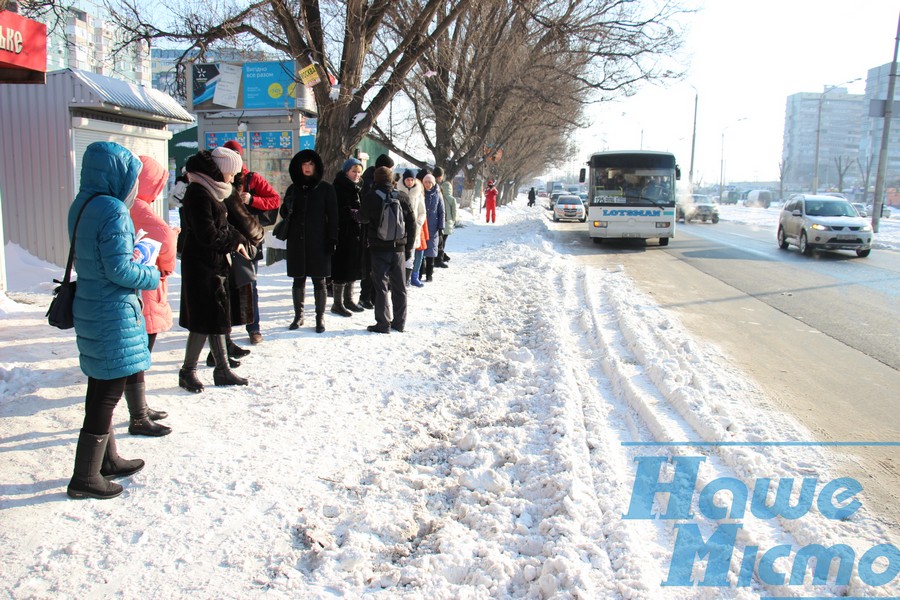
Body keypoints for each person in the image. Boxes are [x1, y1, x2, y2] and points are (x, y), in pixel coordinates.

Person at [66, 141, 160, 500]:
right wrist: (149, 273)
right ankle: (84, 477)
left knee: (101, 385)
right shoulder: (113, 210)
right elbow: (120, 270)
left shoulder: (83, 204)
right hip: (112, 311)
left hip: (91, 305)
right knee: (107, 393)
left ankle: (107, 460)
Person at [177, 147, 252, 393]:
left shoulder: (210, 190)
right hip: (201, 266)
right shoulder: (198, 193)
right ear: (220, 171)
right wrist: (234, 240)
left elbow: (221, 227)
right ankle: (188, 372)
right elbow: (207, 234)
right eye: (231, 173)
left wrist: (237, 237)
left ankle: (222, 369)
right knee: (203, 320)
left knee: (216, 318)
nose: (233, 178)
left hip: (213, 264)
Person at [126, 155, 176, 437]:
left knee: (138, 351)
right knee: (140, 351)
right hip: (145, 286)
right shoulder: (139, 207)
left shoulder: (125, 205)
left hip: (135, 286)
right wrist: (166, 266)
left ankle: (140, 407)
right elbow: (165, 238)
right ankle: (138, 414)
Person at [222, 140, 281, 346]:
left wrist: (252, 199)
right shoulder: (217, 179)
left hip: (248, 238)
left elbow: (275, 200)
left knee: (250, 283)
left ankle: (253, 327)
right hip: (224, 238)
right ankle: (224, 331)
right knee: (223, 285)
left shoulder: (251, 178)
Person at [281, 149, 339, 333]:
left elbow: (334, 216)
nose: (307, 167)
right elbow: (284, 214)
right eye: (304, 164)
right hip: (297, 242)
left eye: (311, 164)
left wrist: (332, 238)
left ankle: (320, 318)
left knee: (319, 281)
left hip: (319, 242)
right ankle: (298, 316)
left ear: (316, 166)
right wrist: (287, 207)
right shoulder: (293, 188)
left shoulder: (326, 189)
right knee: (298, 280)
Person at [359, 166, 416, 333]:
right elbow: (412, 223)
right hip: (399, 248)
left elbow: (362, 217)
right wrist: (408, 247)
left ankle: (383, 323)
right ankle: (399, 323)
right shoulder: (403, 197)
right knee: (399, 287)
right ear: (392, 179)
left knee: (381, 286)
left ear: (376, 179)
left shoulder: (371, 197)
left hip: (378, 248)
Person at [357, 154, 395, 309]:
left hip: (376, 230)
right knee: (370, 266)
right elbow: (365, 210)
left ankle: (370, 296)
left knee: (373, 267)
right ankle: (365, 296)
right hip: (371, 231)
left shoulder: (372, 181)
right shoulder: (370, 183)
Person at [331, 157, 366, 317]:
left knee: (353, 266)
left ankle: (349, 300)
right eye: (354, 171)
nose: (357, 174)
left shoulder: (359, 187)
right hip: (342, 233)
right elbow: (335, 211)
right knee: (341, 267)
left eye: (359, 172)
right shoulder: (339, 186)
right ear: (346, 172)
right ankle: (337, 303)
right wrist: (351, 213)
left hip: (356, 233)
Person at [398, 169, 426, 287]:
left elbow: (422, 212)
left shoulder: (418, 194)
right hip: (399, 229)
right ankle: (398, 279)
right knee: (399, 255)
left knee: (411, 255)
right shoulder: (398, 192)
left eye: (411, 180)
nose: (409, 182)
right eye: (407, 179)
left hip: (413, 229)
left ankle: (407, 280)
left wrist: (418, 224)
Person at [421, 173, 445, 282]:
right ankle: (420, 273)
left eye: (429, 182)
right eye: (425, 182)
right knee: (420, 251)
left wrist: (441, 227)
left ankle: (429, 274)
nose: (427, 184)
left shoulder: (438, 194)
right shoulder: (420, 193)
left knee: (431, 253)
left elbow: (441, 211)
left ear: (433, 183)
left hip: (433, 227)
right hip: (422, 226)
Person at [433, 167, 456, 268]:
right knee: (440, 241)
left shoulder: (438, 189)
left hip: (439, 219)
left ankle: (440, 256)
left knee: (439, 240)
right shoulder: (437, 188)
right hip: (442, 220)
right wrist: (454, 220)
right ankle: (438, 258)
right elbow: (454, 211)